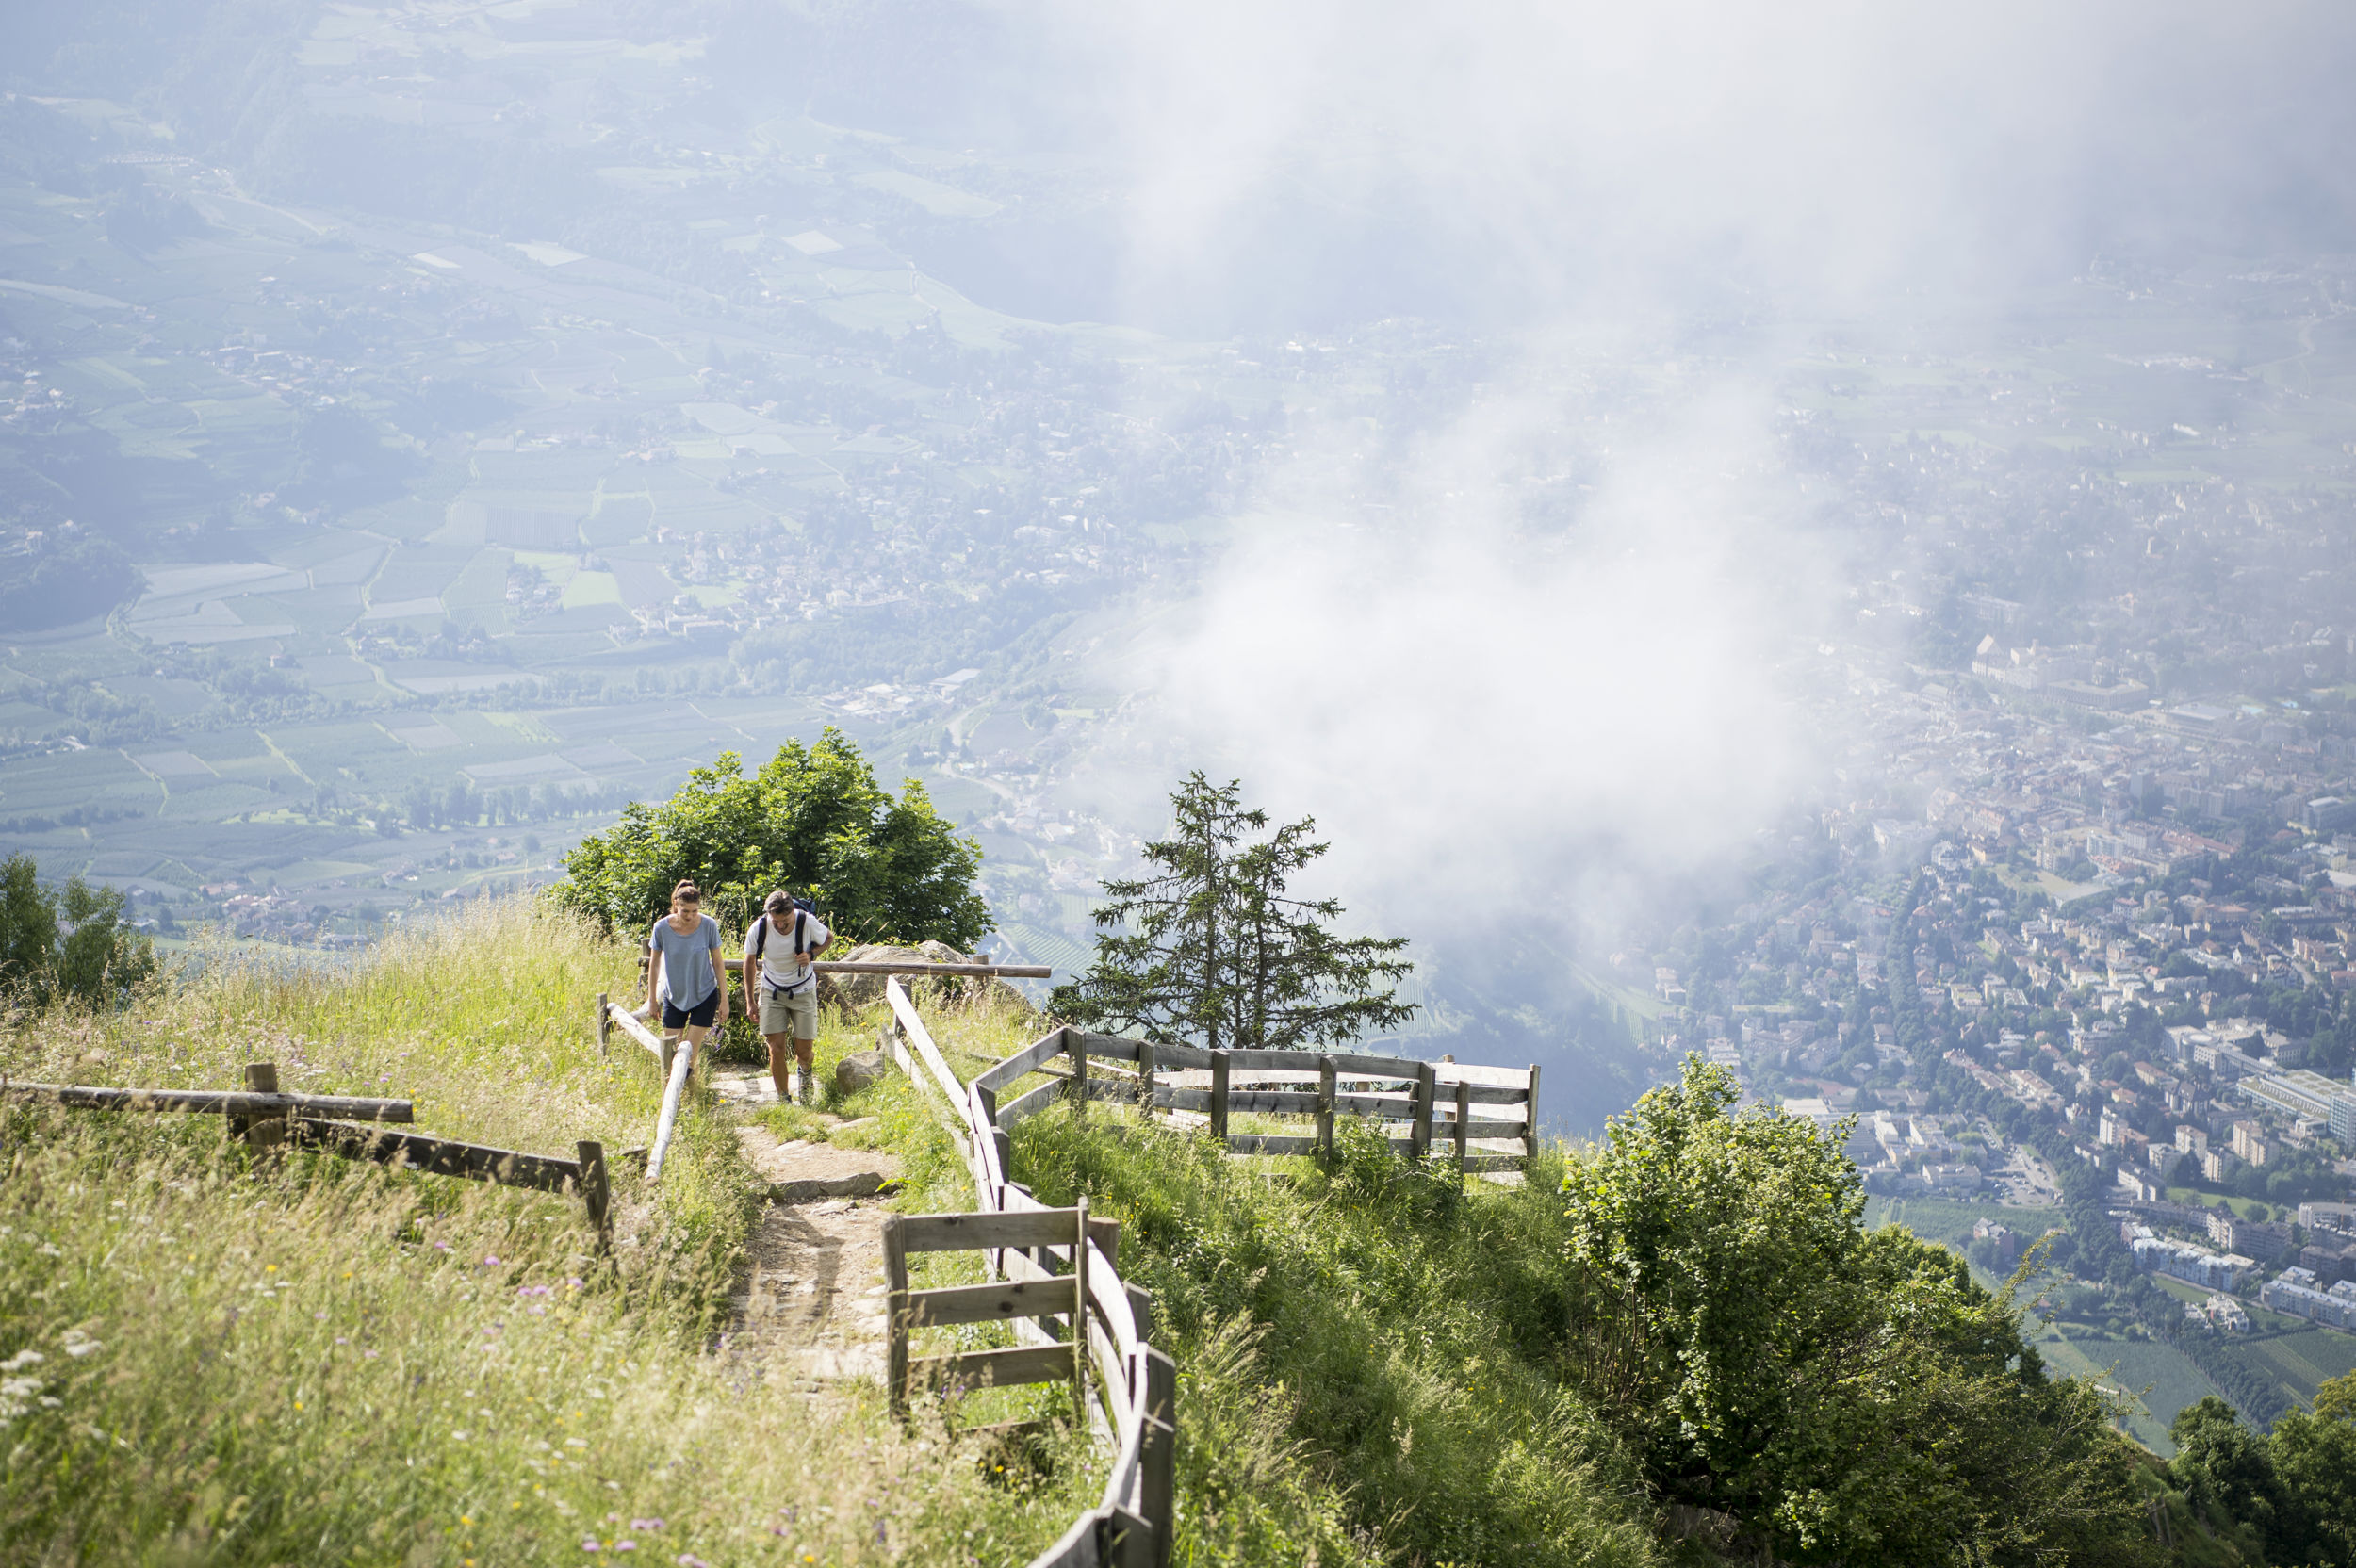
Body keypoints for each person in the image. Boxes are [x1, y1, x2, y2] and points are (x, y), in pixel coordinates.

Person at [743, 887, 828, 1105]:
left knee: (804, 1051)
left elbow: (829, 938)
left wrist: (811, 954)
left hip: (803, 990)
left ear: (792, 913)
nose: (780, 926)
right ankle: (784, 1099)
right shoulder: (759, 927)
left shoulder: (806, 921)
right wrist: (750, 1001)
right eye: (776, 921)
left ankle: (805, 1074)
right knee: (776, 1048)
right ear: (768, 915)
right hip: (772, 992)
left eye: (785, 922)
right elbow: (749, 961)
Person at [646, 879, 727, 1087]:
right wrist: (652, 999)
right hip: (674, 995)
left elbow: (718, 962)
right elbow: (654, 965)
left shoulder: (708, 925)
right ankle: (672, 1098)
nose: (690, 916)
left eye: (694, 911)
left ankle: (691, 1095)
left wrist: (724, 1000)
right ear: (676, 905)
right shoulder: (661, 928)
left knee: (690, 1051)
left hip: (704, 994)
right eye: (685, 912)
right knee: (671, 1053)